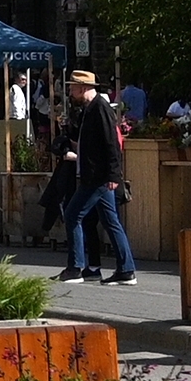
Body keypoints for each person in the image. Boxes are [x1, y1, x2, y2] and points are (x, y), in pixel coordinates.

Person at [65, 77, 135, 284]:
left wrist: (114, 174)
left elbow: (111, 143)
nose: (70, 93)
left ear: (84, 88)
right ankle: (126, 269)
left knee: (72, 215)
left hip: (98, 177)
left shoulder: (100, 108)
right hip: (97, 175)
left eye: (73, 89)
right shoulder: (90, 109)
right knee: (110, 221)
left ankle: (75, 267)